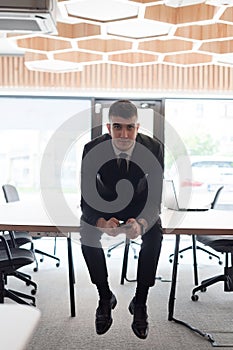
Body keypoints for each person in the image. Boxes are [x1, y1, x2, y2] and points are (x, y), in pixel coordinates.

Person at [80, 99, 164, 339]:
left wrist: (143, 222)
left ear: (138, 127)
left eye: (130, 128)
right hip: (104, 204)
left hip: (139, 206)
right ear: (109, 128)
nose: (124, 134)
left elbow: (155, 196)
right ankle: (105, 296)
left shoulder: (154, 148)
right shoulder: (92, 149)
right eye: (118, 127)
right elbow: (86, 195)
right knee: (87, 233)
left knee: (155, 235)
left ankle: (140, 302)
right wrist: (99, 222)